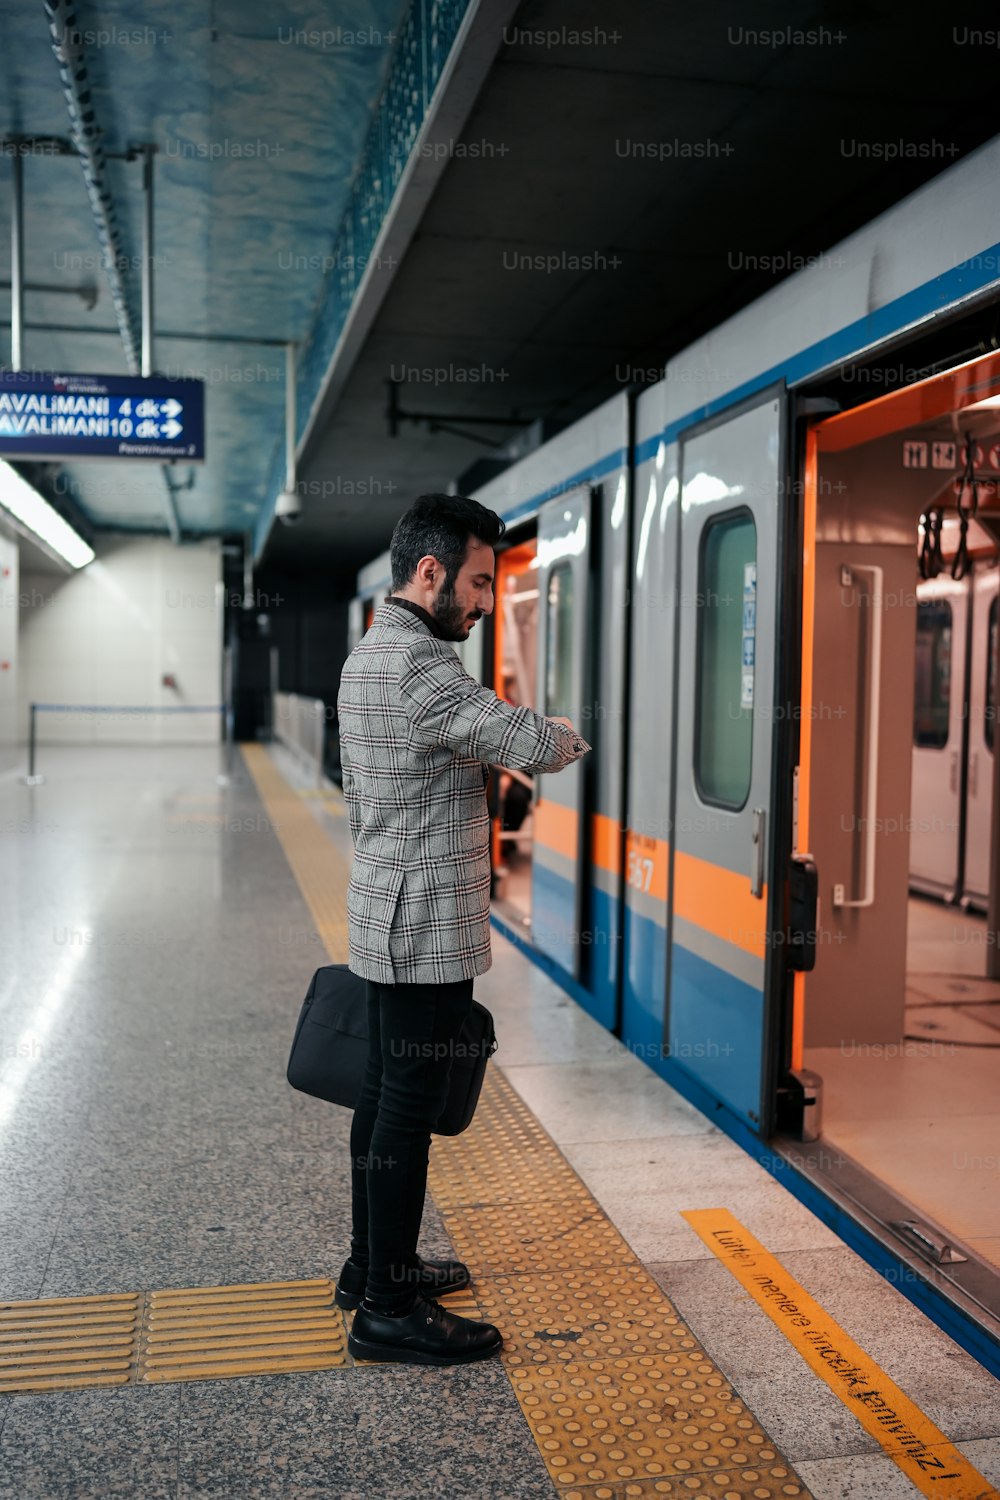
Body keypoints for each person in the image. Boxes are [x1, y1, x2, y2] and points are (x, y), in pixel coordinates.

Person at [335, 492, 590, 1366]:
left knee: (380, 1093)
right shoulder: (422, 667)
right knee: (405, 1109)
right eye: (480, 582)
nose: (484, 602)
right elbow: (528, 742)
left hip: (384, 908)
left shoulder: (367, 656)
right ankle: (387, 1310)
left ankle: (371, 1265)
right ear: (431, 570)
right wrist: (560, 733)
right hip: (423, 924)